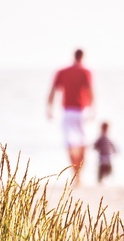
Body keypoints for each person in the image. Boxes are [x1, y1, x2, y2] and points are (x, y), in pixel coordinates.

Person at [47, 49, 94, 186]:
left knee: (71, 144)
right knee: (83, 144)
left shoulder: (62, 72)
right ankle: (79, 175)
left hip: (68, 112)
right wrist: (93, 108)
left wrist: (49, 108)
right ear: (83, 57)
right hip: (82, 111)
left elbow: (53, 91)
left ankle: (76, 174)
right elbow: (90, 91)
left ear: (74, 56)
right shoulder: (86, 72)